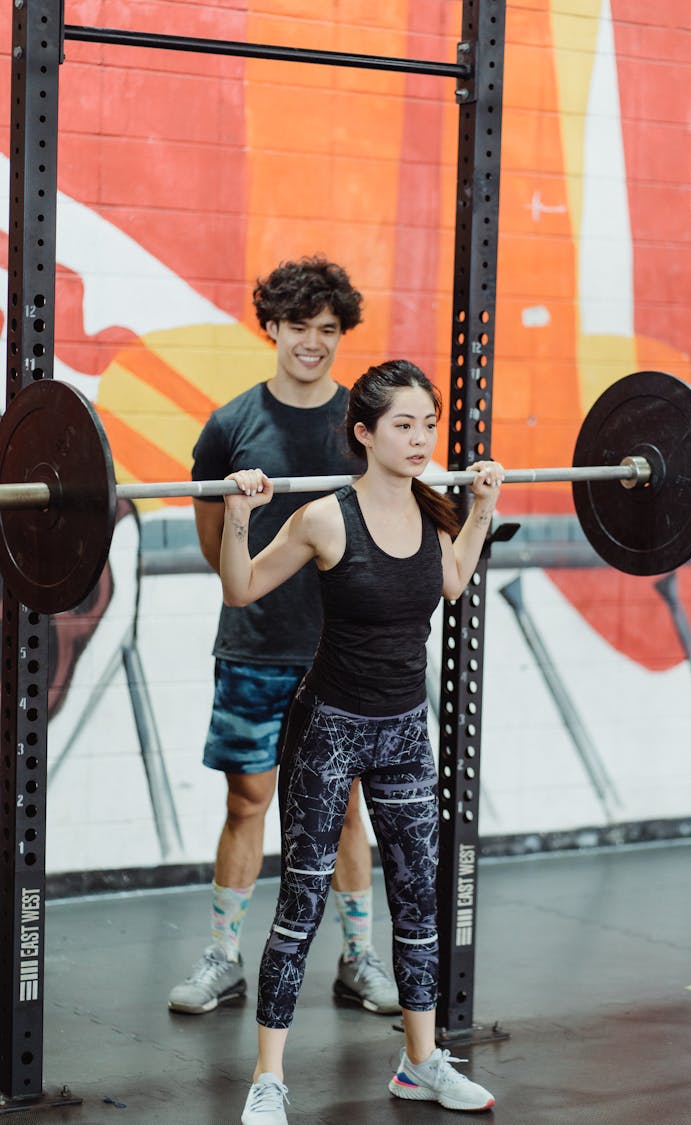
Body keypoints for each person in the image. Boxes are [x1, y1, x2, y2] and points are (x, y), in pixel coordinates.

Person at [220, 359, 503, 1122]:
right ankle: (268, 1079)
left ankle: (419, 1063)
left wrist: (481, 506)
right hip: (331, 729)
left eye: (428, 425)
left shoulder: (432, 507)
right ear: (365, 432)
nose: (419, 439)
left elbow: (449, 582)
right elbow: (241, 586)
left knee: (418, 897)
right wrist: (244, 512)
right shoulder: (323, 516)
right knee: (304, 899)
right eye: (403, 425)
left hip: (406, 729)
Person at [168, 258, 399, 1017]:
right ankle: (222, 958)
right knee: (247, 801)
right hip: (256, 644)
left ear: (341, 335)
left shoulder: (359, 429)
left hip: (341, 652)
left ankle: (359, 960)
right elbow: (215, 543)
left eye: (328, 330)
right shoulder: (232, 425)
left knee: (345, 811)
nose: (313, 343)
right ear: (271, 327)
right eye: (299, 327)